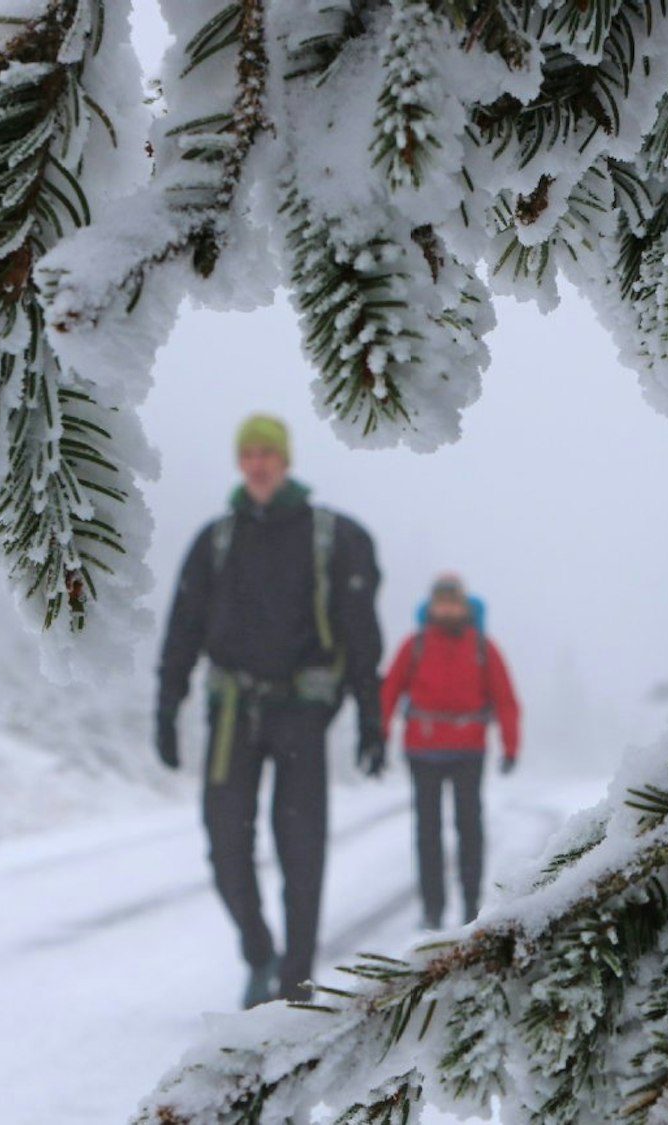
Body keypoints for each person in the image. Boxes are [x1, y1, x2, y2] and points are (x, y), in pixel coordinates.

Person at [156, 414, 386, 1007]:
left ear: (285, 461)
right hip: (231, 714)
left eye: (268, 453)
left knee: (300, 849)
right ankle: (259, 951)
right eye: (249, 453)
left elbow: (360, 631)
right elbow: (183, 628)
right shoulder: (216, 541)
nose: (258, 463)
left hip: (301, 716)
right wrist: (167, 702)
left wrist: (370, 711)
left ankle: (297, 981)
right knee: (225, 845)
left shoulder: (331, 537)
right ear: (241, 462)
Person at [379, 573, 522, 928]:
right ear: (431, 606)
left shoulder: (482, 648)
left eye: (453, 602)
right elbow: (389, 692)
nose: (446, 609)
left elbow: (505, 699)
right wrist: (378, 737)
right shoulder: (414, 646)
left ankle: (470, 905)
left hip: (468, 752)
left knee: (468, 827)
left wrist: (510, 745)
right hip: (422, 751)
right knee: (427, 831)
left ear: (463, 606)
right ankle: (433, 909)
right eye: (441, 602)